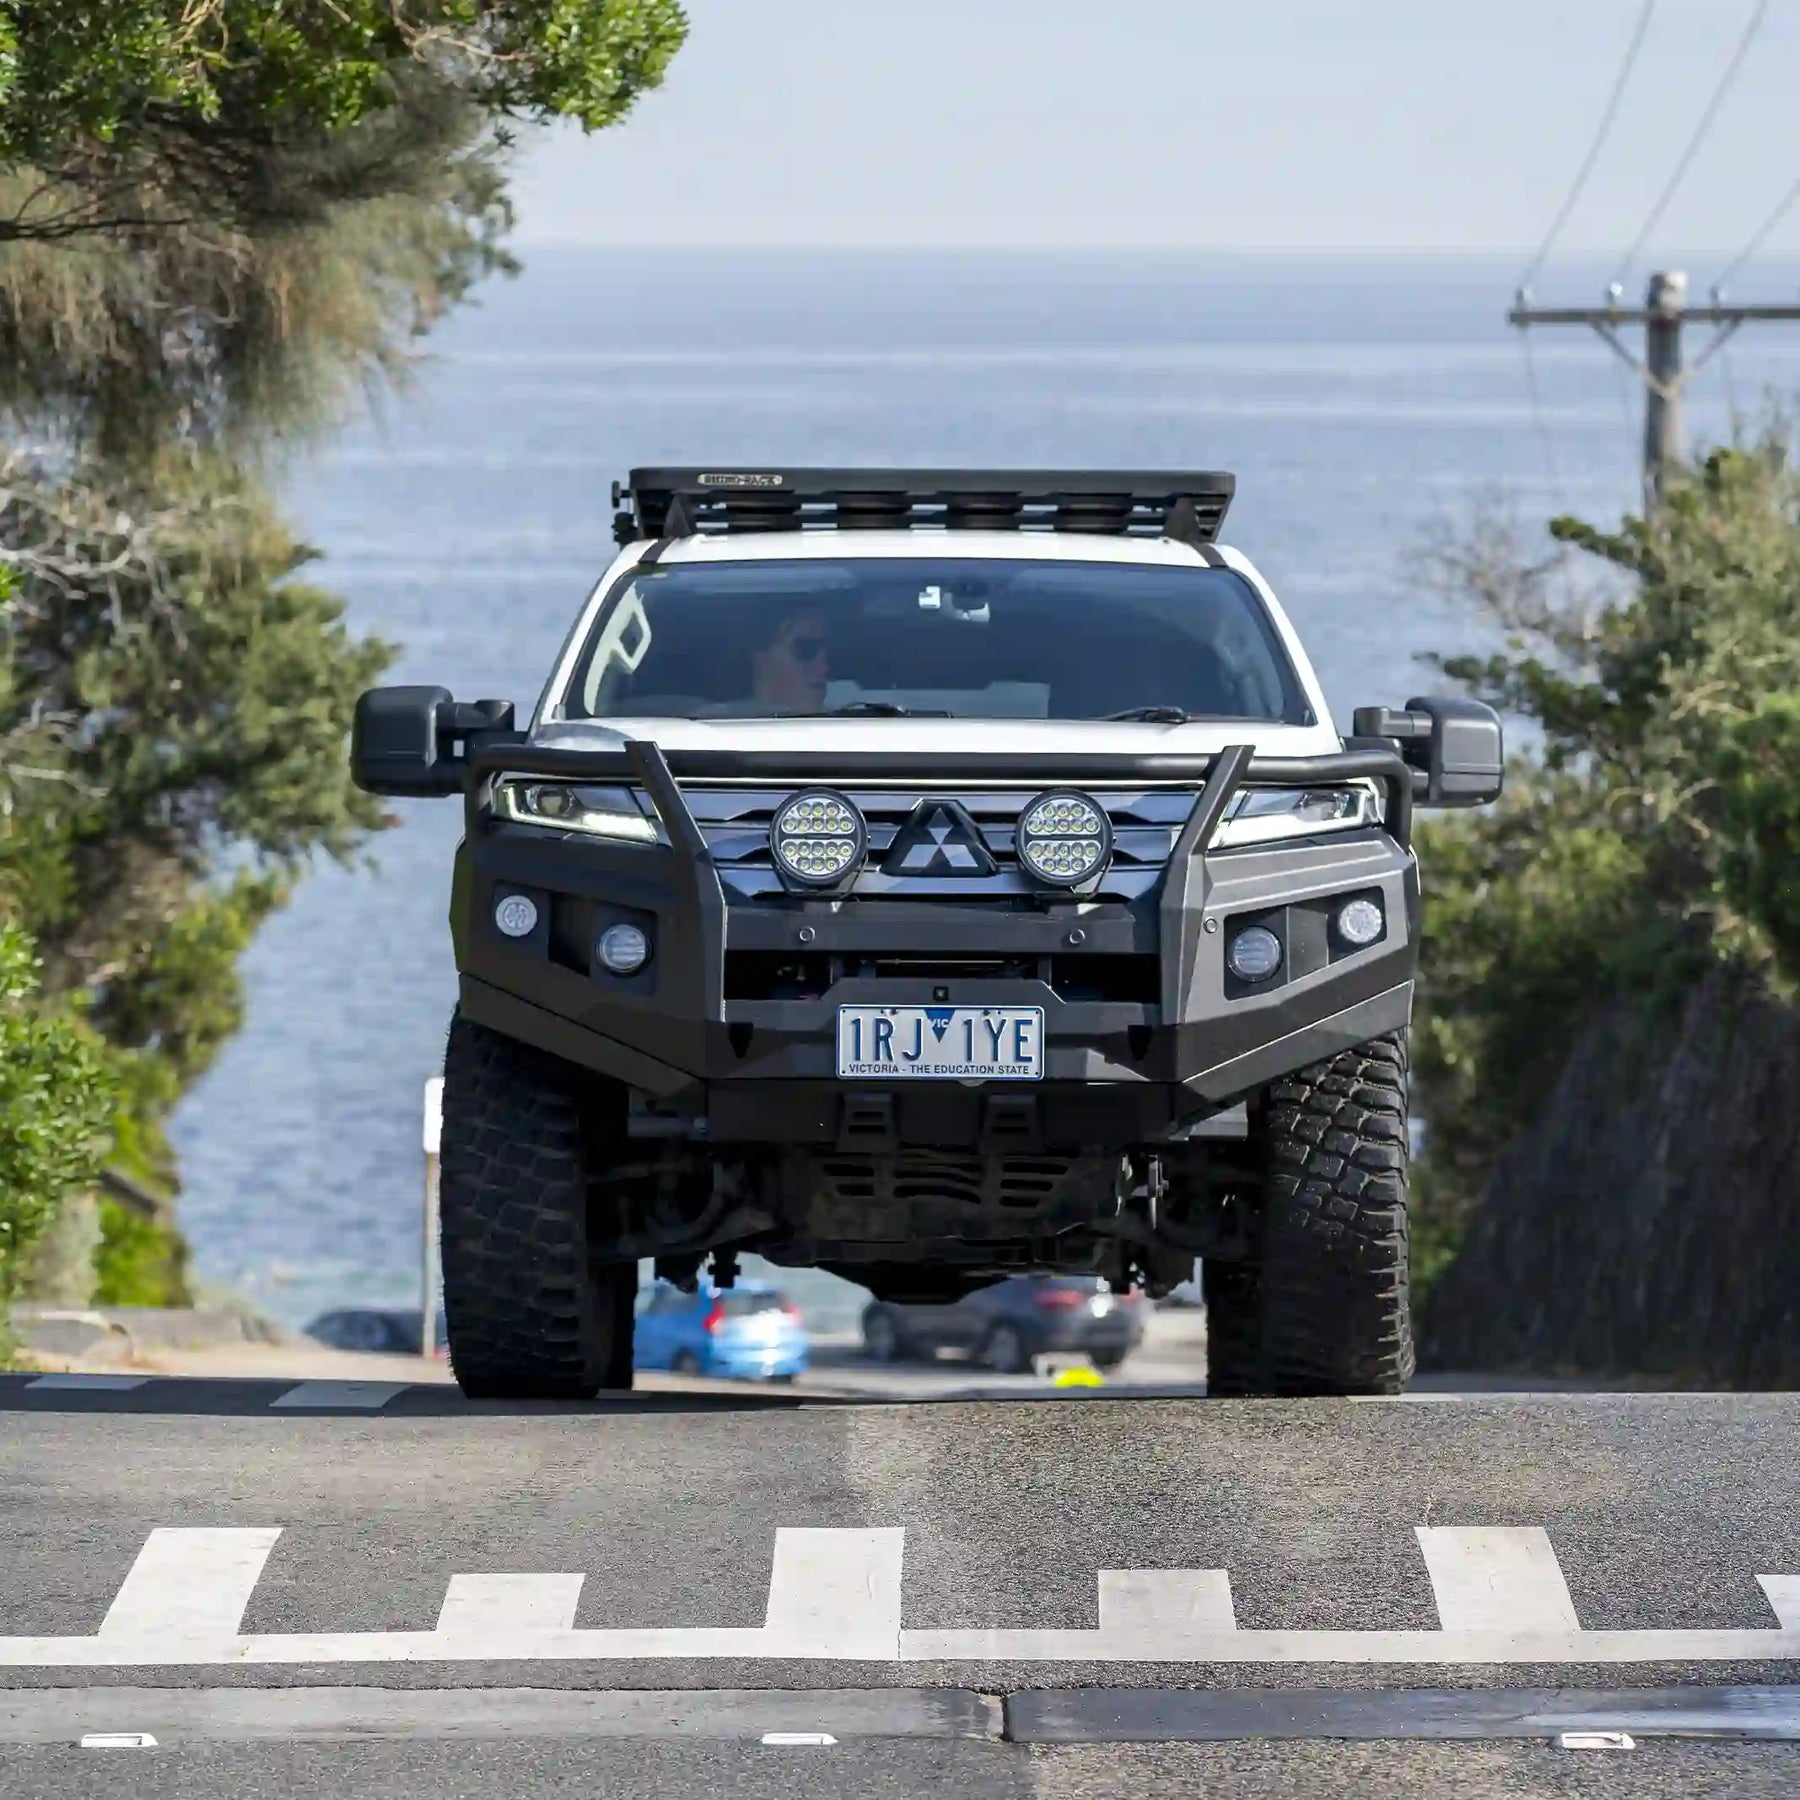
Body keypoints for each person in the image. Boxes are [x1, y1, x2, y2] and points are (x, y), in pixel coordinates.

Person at [749, 609, 831, 712]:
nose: (824, 668)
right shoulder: (726, 723)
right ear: (762, 659)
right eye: (807, 649)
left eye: (831, 654)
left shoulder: (849, 723)